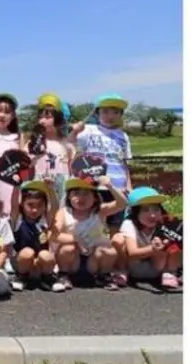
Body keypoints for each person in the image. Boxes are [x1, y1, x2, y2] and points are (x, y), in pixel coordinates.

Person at [70, 93, 133, 285]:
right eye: (105, 111)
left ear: (120, 114)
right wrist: (74, 131)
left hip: (117, 187)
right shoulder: (89, 130)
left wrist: (128, 185)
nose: (110, 116)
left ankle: (114, 267)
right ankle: (89, 263)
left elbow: (124, 163)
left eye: (115, 112)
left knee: (115, 229)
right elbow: (70, 144)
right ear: (97, 113)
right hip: (95, 186)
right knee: (93, 225)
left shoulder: (123, 136)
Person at [52, 176, 127, 290]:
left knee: (109, 250)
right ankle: (63, 276)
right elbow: (53, 235)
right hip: (73, 261)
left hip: (94, 260)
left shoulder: (100, 211)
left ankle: (103, 277)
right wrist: (76, 240)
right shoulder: (64, 212)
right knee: (67, 248)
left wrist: (110, 186)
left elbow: (122, 204)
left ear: (95, 198)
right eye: (76, 193)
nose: (81, 198)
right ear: (69, 197)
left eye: (86, 194)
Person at [8, 180, 65, 292]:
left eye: (39, 205)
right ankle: (21, 278)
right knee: (27, 252)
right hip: (22, 263)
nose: (35, 210)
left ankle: (47, 278)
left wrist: (50, 189)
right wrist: (16, 186)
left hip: (39, 266)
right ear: (22, 204)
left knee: (46, 255)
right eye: (30, 205)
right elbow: (14, 205)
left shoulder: (44, 220)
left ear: (45, 206)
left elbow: (55, 207)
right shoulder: (18, 218)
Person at [121, 187, 182, 289]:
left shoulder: (167, 222)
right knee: (119, 239)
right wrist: (153, 249)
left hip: (160, 267)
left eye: (156, 209)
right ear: (135, 212)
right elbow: (132, 252)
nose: (152, 215)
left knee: (176, 241)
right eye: (145, 210)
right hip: (136, 268)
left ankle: (170, 272)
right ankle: (120, 271)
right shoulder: (129, 224)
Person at [29, 94, 75, 206]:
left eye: (47, 117)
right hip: (40, 184)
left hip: (61, 184)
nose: (42, 121)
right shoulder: (33, 142)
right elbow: (27, 165)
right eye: (40, 117)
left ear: (58, 119)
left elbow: (73, 169)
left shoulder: (67, 144)